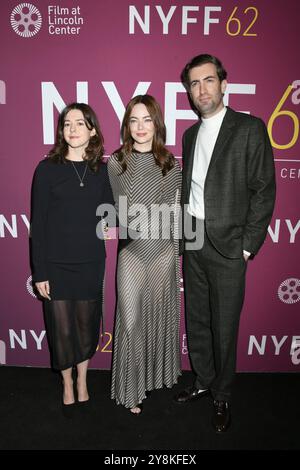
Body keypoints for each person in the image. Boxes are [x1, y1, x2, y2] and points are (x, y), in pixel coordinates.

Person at [173, 54, 276, 432]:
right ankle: (202, 381)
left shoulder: (249, 128)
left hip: (230, 247)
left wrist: (247, 245)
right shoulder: (189, 134)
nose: (201, 90)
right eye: (194, 84)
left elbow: (264, 190)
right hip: (194, 239)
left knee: (225, 326)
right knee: (198, 320)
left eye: (208, 81)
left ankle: (223, 394)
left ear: (223, 83)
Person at [30, 102, 114, 412]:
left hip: (91, 262)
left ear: (92, 130)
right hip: (56, 265)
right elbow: (37, 225)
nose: (73, 129)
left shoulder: (103, 171)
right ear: (61, 131)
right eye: (67, 124)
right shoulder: (47, 169)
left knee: (86, 327)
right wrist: (40, 272)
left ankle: (82, 379)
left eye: (80, 123)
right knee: (61, 330)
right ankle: (67, 382)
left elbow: (112, 211)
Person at [108, 94, 182, 415]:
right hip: (132, 256)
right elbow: (112, 210)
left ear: (157, 124)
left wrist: (177, 254)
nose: (140, 127)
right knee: (131, 321)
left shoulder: (170, 163)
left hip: (163, 255)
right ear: (127, 125)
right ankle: (130, 389)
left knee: (155, 319)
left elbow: (177, 213)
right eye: (134, 120)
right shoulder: (116, 162)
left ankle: (149, 381)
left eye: (147, 119)